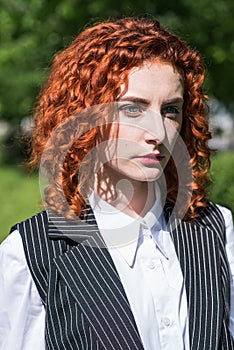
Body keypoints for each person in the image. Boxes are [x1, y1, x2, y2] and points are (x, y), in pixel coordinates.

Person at [0, 16, 234, 350]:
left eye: (170, 110)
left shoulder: (216, 228)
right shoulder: (30, 254)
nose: (157, 133)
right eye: (133, 109)